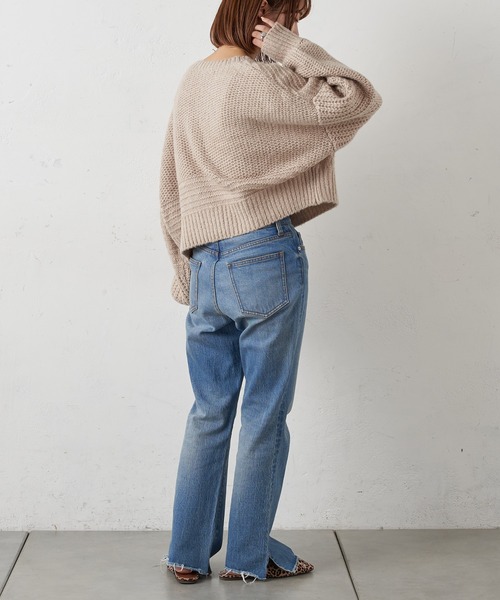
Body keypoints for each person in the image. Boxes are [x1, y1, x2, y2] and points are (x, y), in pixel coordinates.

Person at [158, 0, 383, 585]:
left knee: (209, 411)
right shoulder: (261, 81)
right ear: (265, 12)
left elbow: (171, 186)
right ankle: (247, 557)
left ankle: (186, 554)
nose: (296, 28)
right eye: (291, 16)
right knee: (263, 414)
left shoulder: (193, 81)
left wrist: (186, 270)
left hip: (204, 262)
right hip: (263, 256)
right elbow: (357, 98)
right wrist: (293, 51)